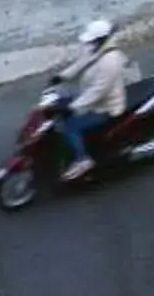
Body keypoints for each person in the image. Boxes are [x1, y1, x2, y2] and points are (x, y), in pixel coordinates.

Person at [53, 18, 131, 179]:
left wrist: (73, 107)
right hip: (90, 98)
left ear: (100, 40)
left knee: (70, 126)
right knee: (58, 107)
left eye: (92, 40)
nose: (89, 43)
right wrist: (61, 77)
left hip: (105, 108)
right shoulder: (95, 49)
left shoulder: (111, 61)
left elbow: (98, 92)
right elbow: (80, 64)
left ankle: (83, 160)